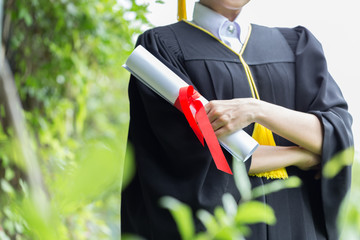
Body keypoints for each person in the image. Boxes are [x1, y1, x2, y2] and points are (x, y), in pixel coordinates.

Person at [121, 0, 354, 239]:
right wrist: (301, 155)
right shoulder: (162, 50)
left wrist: (255, 109)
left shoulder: (296, 46)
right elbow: (199, 157)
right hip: (224, 229)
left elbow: (334, 136)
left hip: (298, 227)